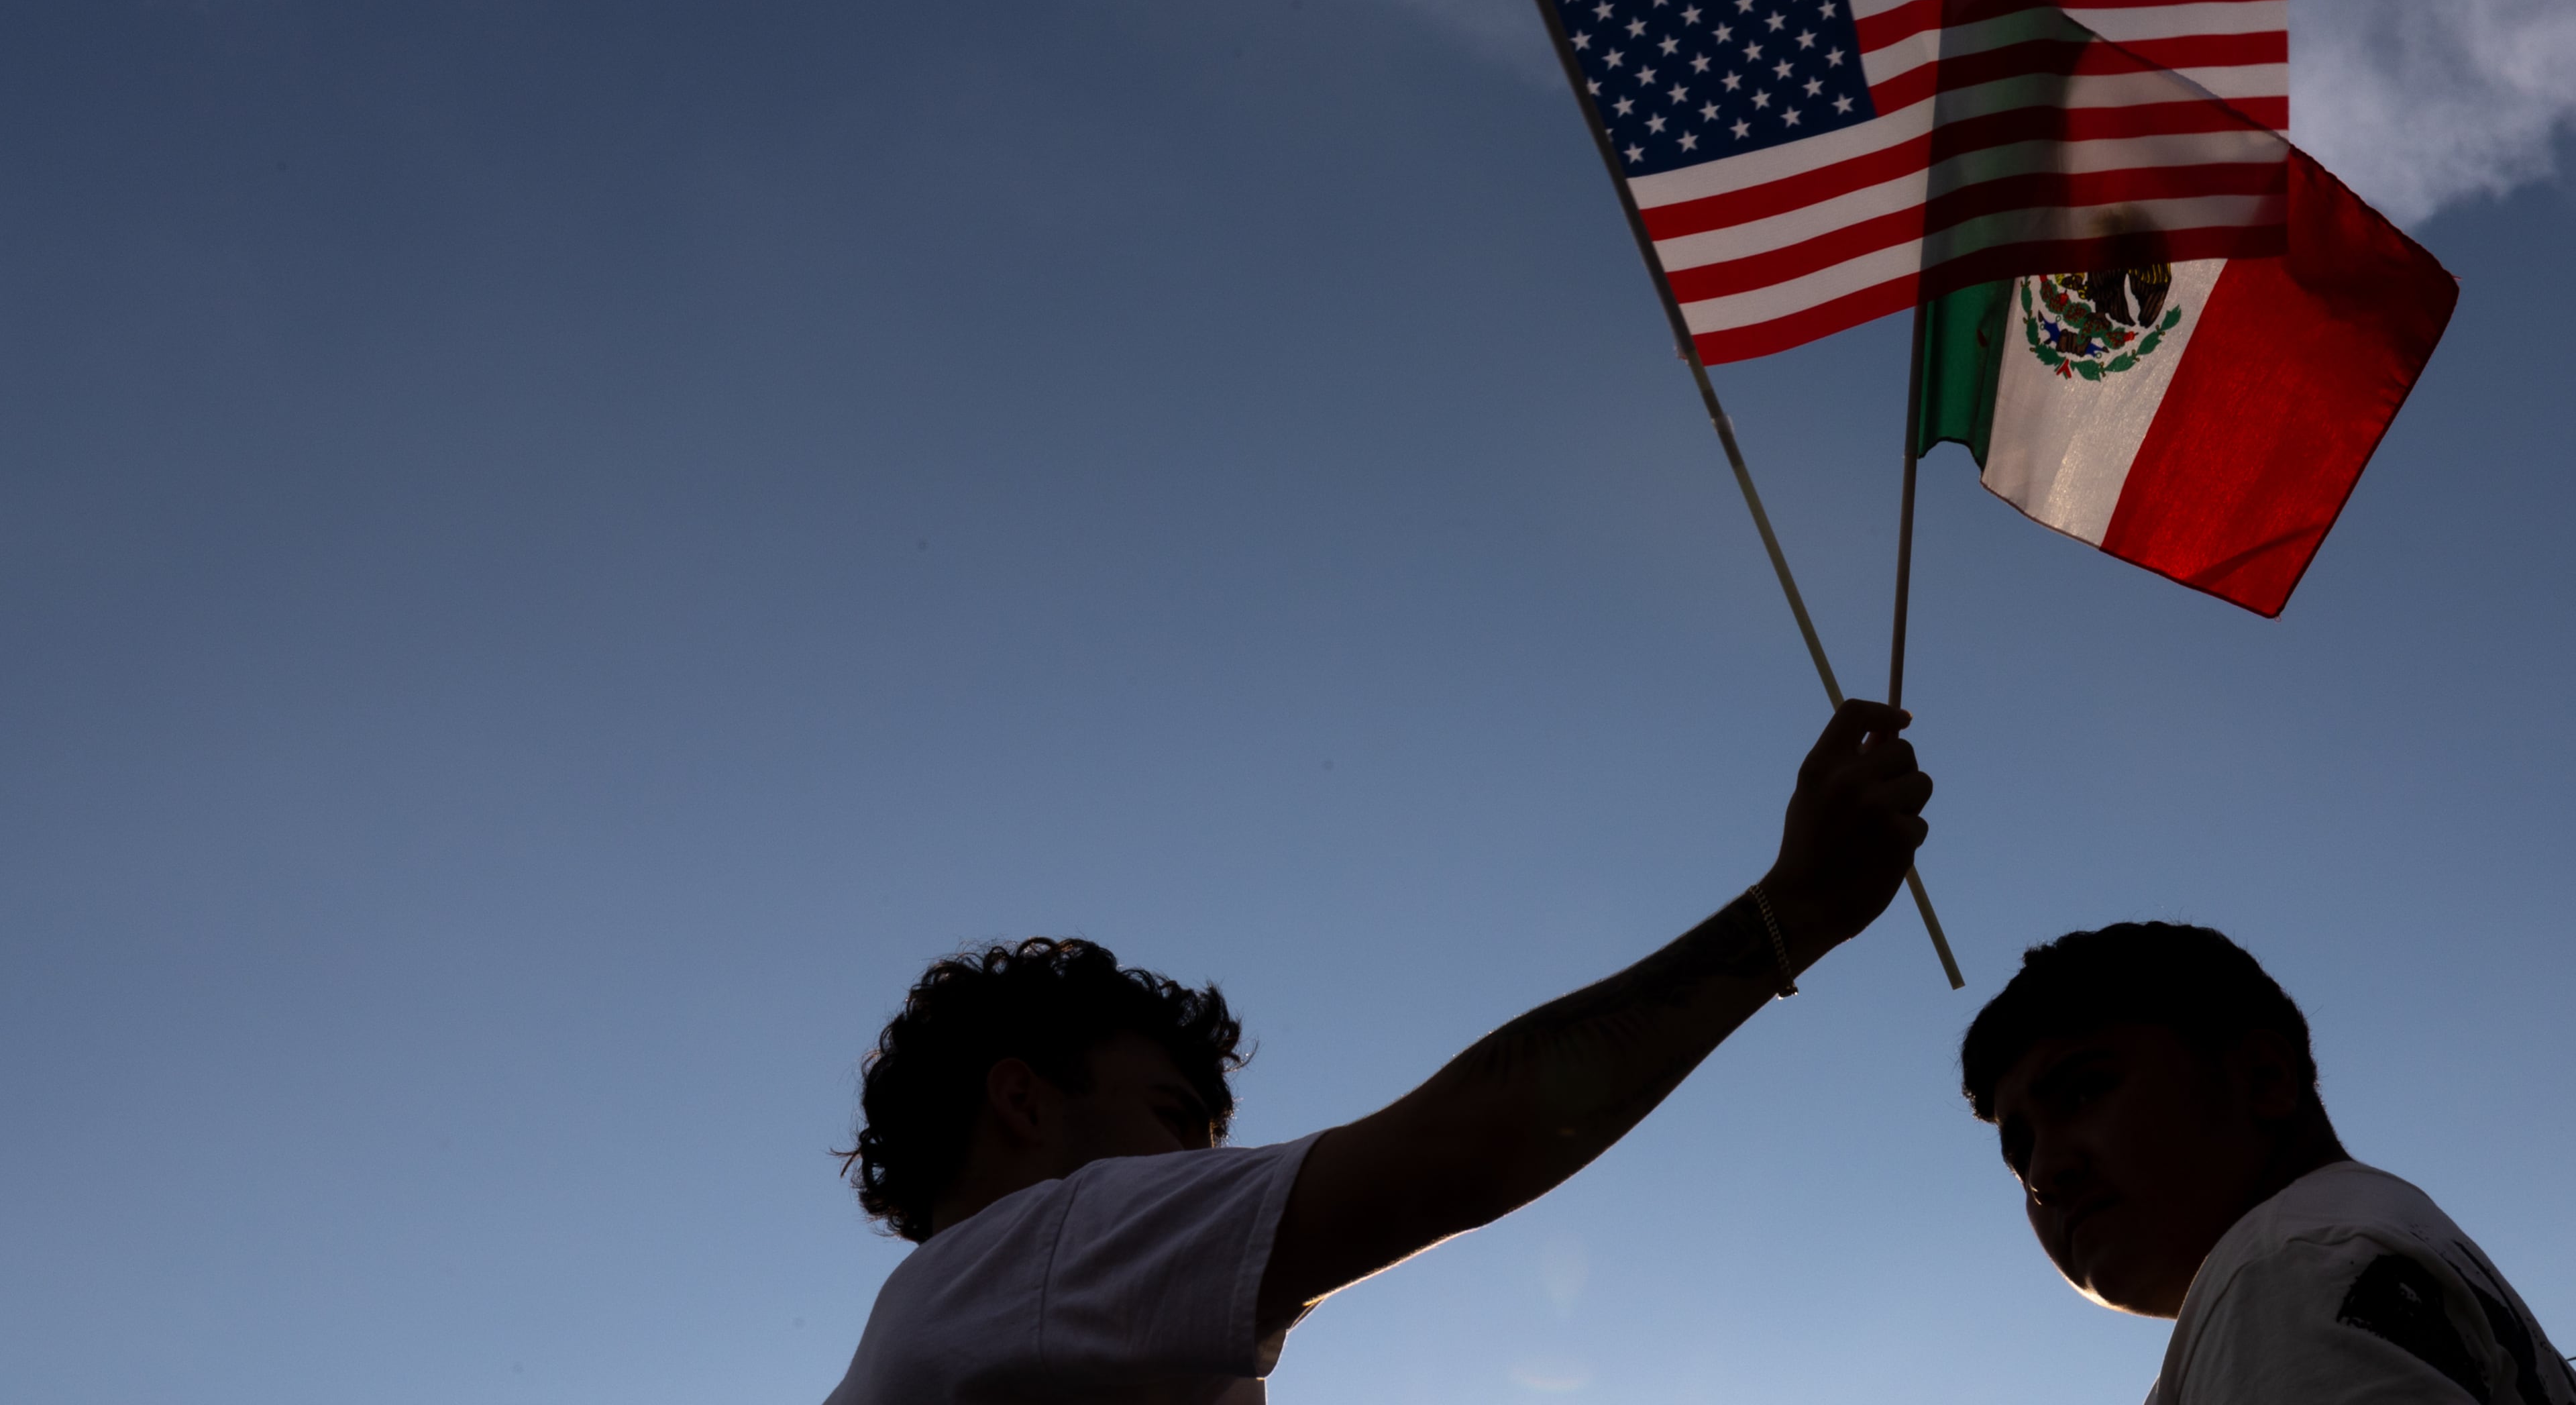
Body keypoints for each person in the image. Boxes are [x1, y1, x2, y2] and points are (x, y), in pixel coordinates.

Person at [820, 700, 1933, 1404]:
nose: (1201, 1170)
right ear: (1023, 1099)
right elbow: (1460, 1152)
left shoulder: (937, 1335)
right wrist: (1794, 913)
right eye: (1171, 1117)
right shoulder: (1035, 1256)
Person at [1963, 922, 2574, 1405]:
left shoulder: (2286, 1268)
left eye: (2085, 1090)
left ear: (2263, 1077)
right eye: (2019, 1156)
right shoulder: (2365, 1244)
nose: (2044, 1172)